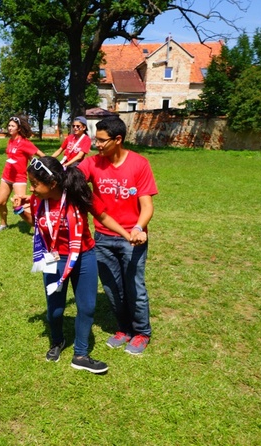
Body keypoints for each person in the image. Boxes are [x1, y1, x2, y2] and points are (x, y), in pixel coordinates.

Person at [14, 156, 130, 374]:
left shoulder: (78, 193)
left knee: (87, 307)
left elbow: (103, 216)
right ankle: (57, 341)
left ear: (53, 184)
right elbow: (38, 225)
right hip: (54, 258)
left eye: (35, 183)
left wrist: (126, 235)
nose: (32, 188)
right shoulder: (39, 198)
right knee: (55, 310)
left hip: (84, 256)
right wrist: (21, 211)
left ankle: (81, 354)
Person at [78, 116, 158, 355]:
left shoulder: (139, 164)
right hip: (102, 238)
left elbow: (147, 205)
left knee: (135, 287)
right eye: (96, 139)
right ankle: (123, 329)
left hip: (132, 239)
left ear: (118, 139)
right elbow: (69, 181)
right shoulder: (92, 164)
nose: (97, 144)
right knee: (113, 289)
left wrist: (138, 227)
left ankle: (142, 332)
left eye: (102, 141)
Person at [0, 115, 45, 233]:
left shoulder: (25, 143)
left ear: (18, 128)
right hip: (6, 176)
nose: (9, 128)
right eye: (9, 125)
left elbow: (40, 154)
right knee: (1, 202)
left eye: (12, 126)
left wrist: (46, 165)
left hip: (19, 178)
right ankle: (3, 224)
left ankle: (37, 229)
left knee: (23, 205)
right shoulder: (11, 140)